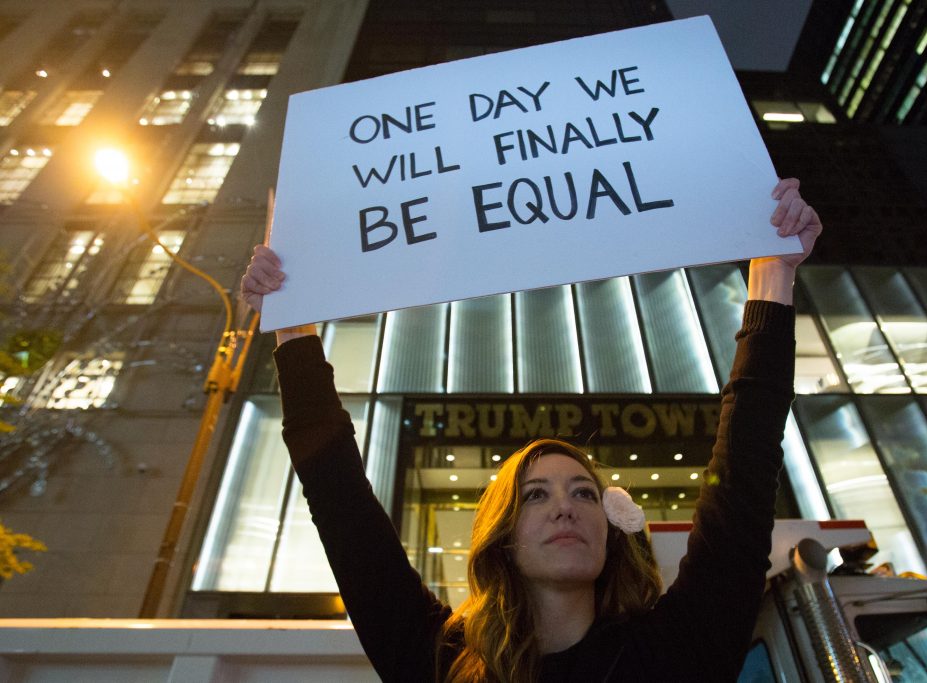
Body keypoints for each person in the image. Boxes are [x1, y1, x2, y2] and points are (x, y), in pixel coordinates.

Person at [240, 177, 822, 682]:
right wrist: (293, 321)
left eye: (584, 493)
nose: (565, 508)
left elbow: (745, 466)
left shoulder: (680, 648)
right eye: (535, 495)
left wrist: (772, 273)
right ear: (504, 537)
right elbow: (340, 502)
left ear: (609, 530)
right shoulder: (442, 664)